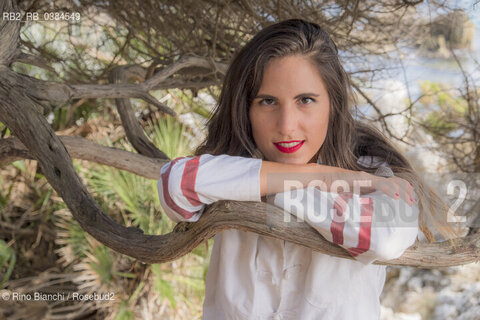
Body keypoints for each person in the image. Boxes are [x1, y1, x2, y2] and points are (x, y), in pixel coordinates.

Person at [157, 19, 458, 320]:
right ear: (246, 108)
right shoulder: (233, 166)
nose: (287, 126)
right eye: (268, 101)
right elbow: (175, 186)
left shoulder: (378, 174)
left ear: (333, 104)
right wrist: (321, 176)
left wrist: (270, 190)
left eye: (305, 100)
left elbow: (383, 240)